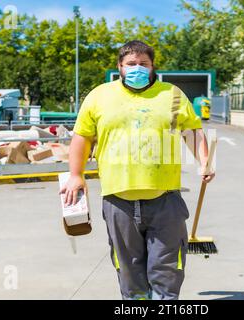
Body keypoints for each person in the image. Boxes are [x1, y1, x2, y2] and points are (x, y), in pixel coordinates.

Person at [60, 40, 215, 300]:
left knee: (167, 270)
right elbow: (82, 137)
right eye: (131, 64)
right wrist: (76, 175)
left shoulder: (173, 94)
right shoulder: (99, 95)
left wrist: (204, 161)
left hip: (165, 198)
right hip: (118, 201)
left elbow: (191, 130)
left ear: (153, 66)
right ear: (120, 66)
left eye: (144, 64)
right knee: (129, 271)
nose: (137, 68)